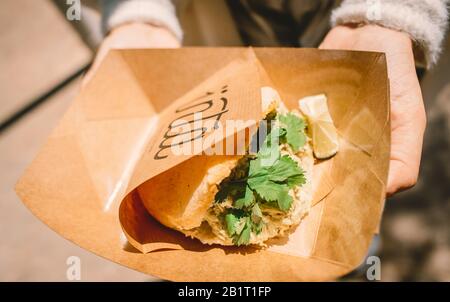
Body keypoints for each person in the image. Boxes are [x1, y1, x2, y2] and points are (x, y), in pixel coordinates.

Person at [86, 0, 449, 196]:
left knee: (352, 178)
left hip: (340, 20)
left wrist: (390, 13)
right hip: (219, 21)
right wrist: (141, 13)